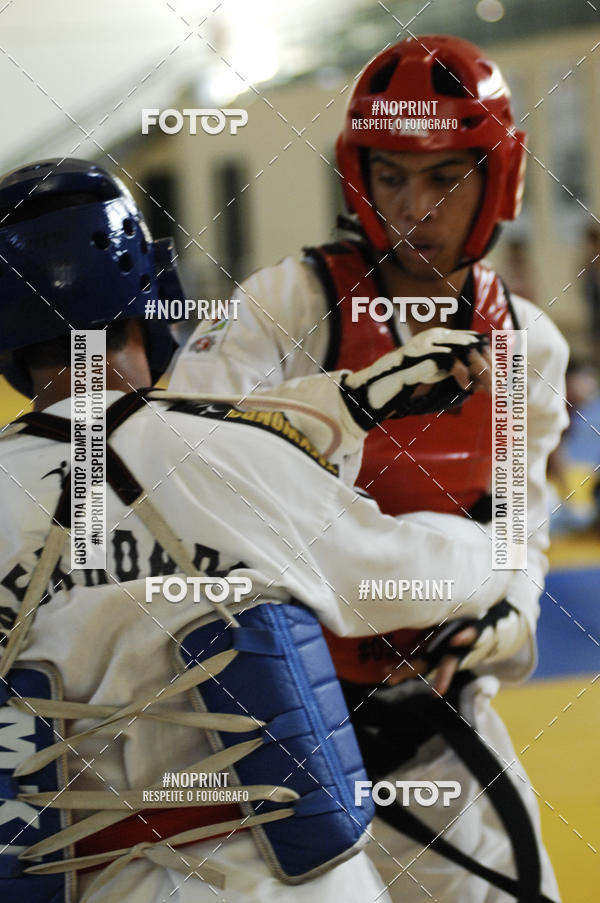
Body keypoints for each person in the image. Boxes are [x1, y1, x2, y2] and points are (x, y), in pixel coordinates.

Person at [0, 158, 520, 903]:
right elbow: (414, 573)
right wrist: (496, 551)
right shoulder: (237, 456)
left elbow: (100, 457)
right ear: (153, 297)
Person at [170, 35, 569, 903]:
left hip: (433, 725)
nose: (412, 208)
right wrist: (346, 399)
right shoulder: (291, 304)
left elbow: (517, 529)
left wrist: (503, 624)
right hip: (275, 727)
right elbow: (175, 459)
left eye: (443, 179)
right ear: (360, 176)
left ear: (495, 178)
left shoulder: (526, 345)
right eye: (391, 176)